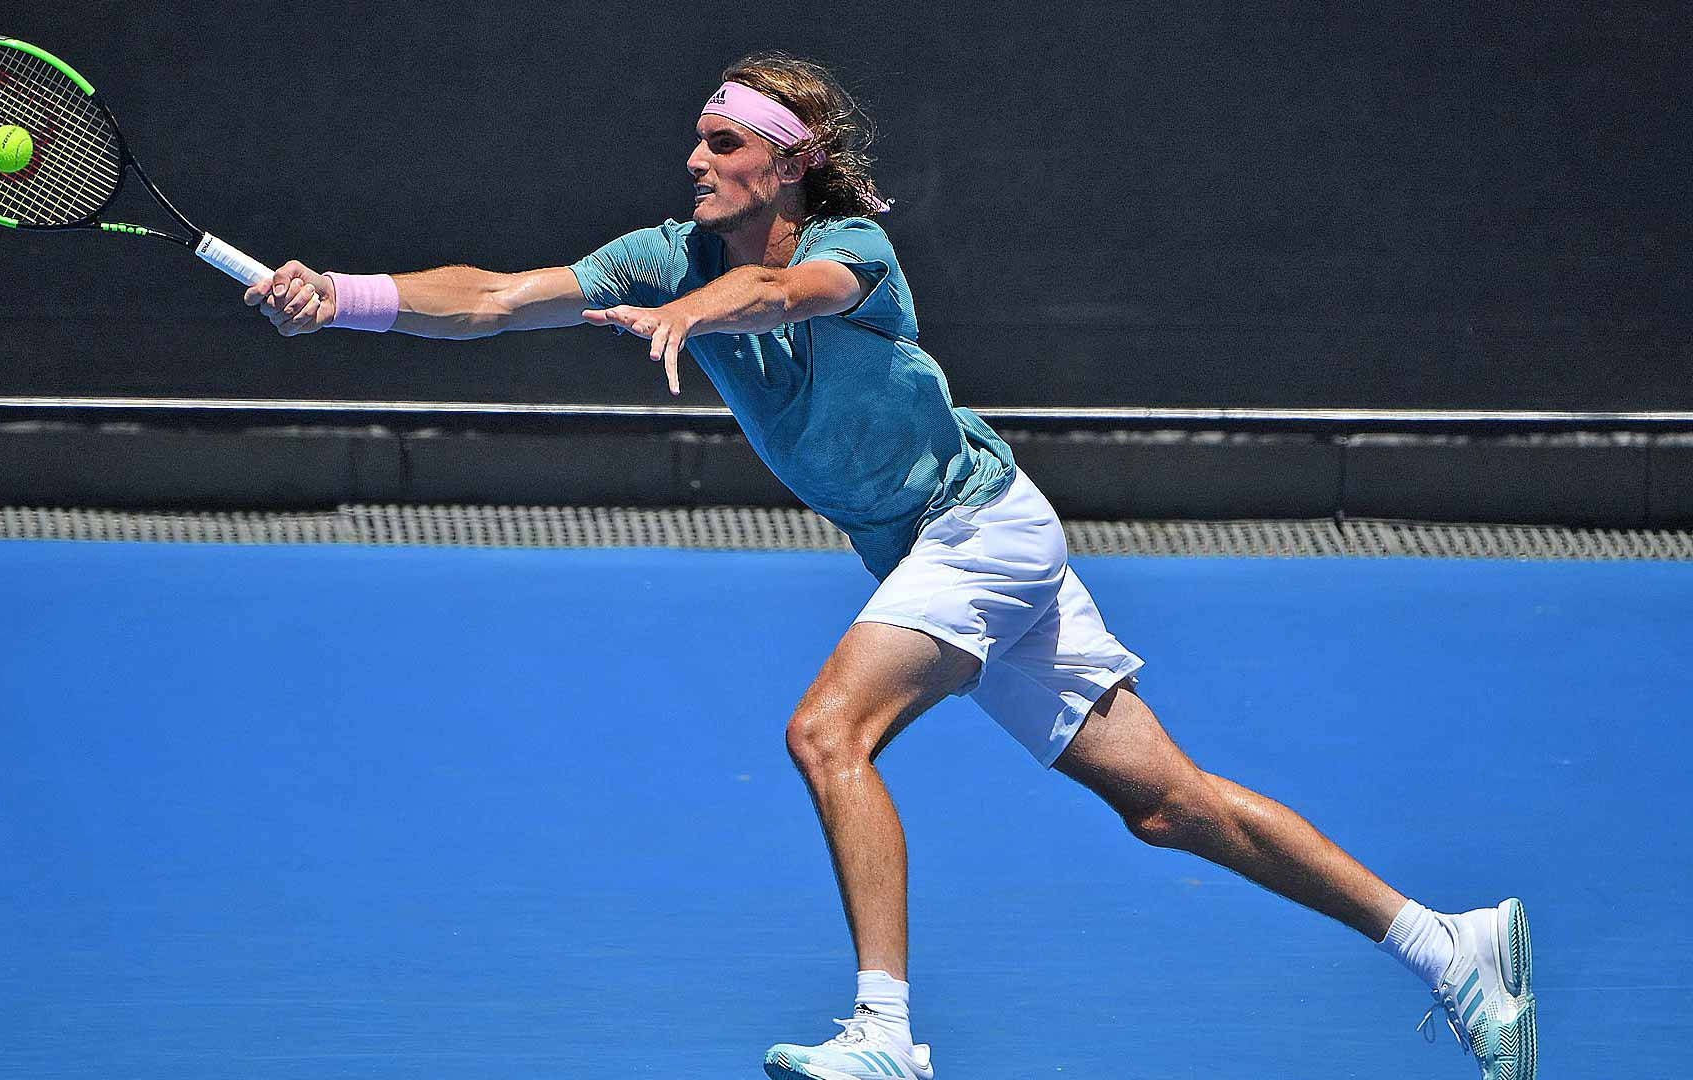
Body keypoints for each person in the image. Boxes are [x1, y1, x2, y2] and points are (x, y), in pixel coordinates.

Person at [243, 52, 1535, 1080]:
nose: (694, 158)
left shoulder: (852, 253)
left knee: (825, 733)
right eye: (695, 139)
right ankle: (1449, 948)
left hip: (980, 531)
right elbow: (495, 294)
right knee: (1168, 806)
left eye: (723, 142)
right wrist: (345, 294)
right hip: (951, 550)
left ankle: (887, 1036)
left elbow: (787, 299)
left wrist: (705, 309)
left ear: (791, 166)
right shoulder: (663, 253)